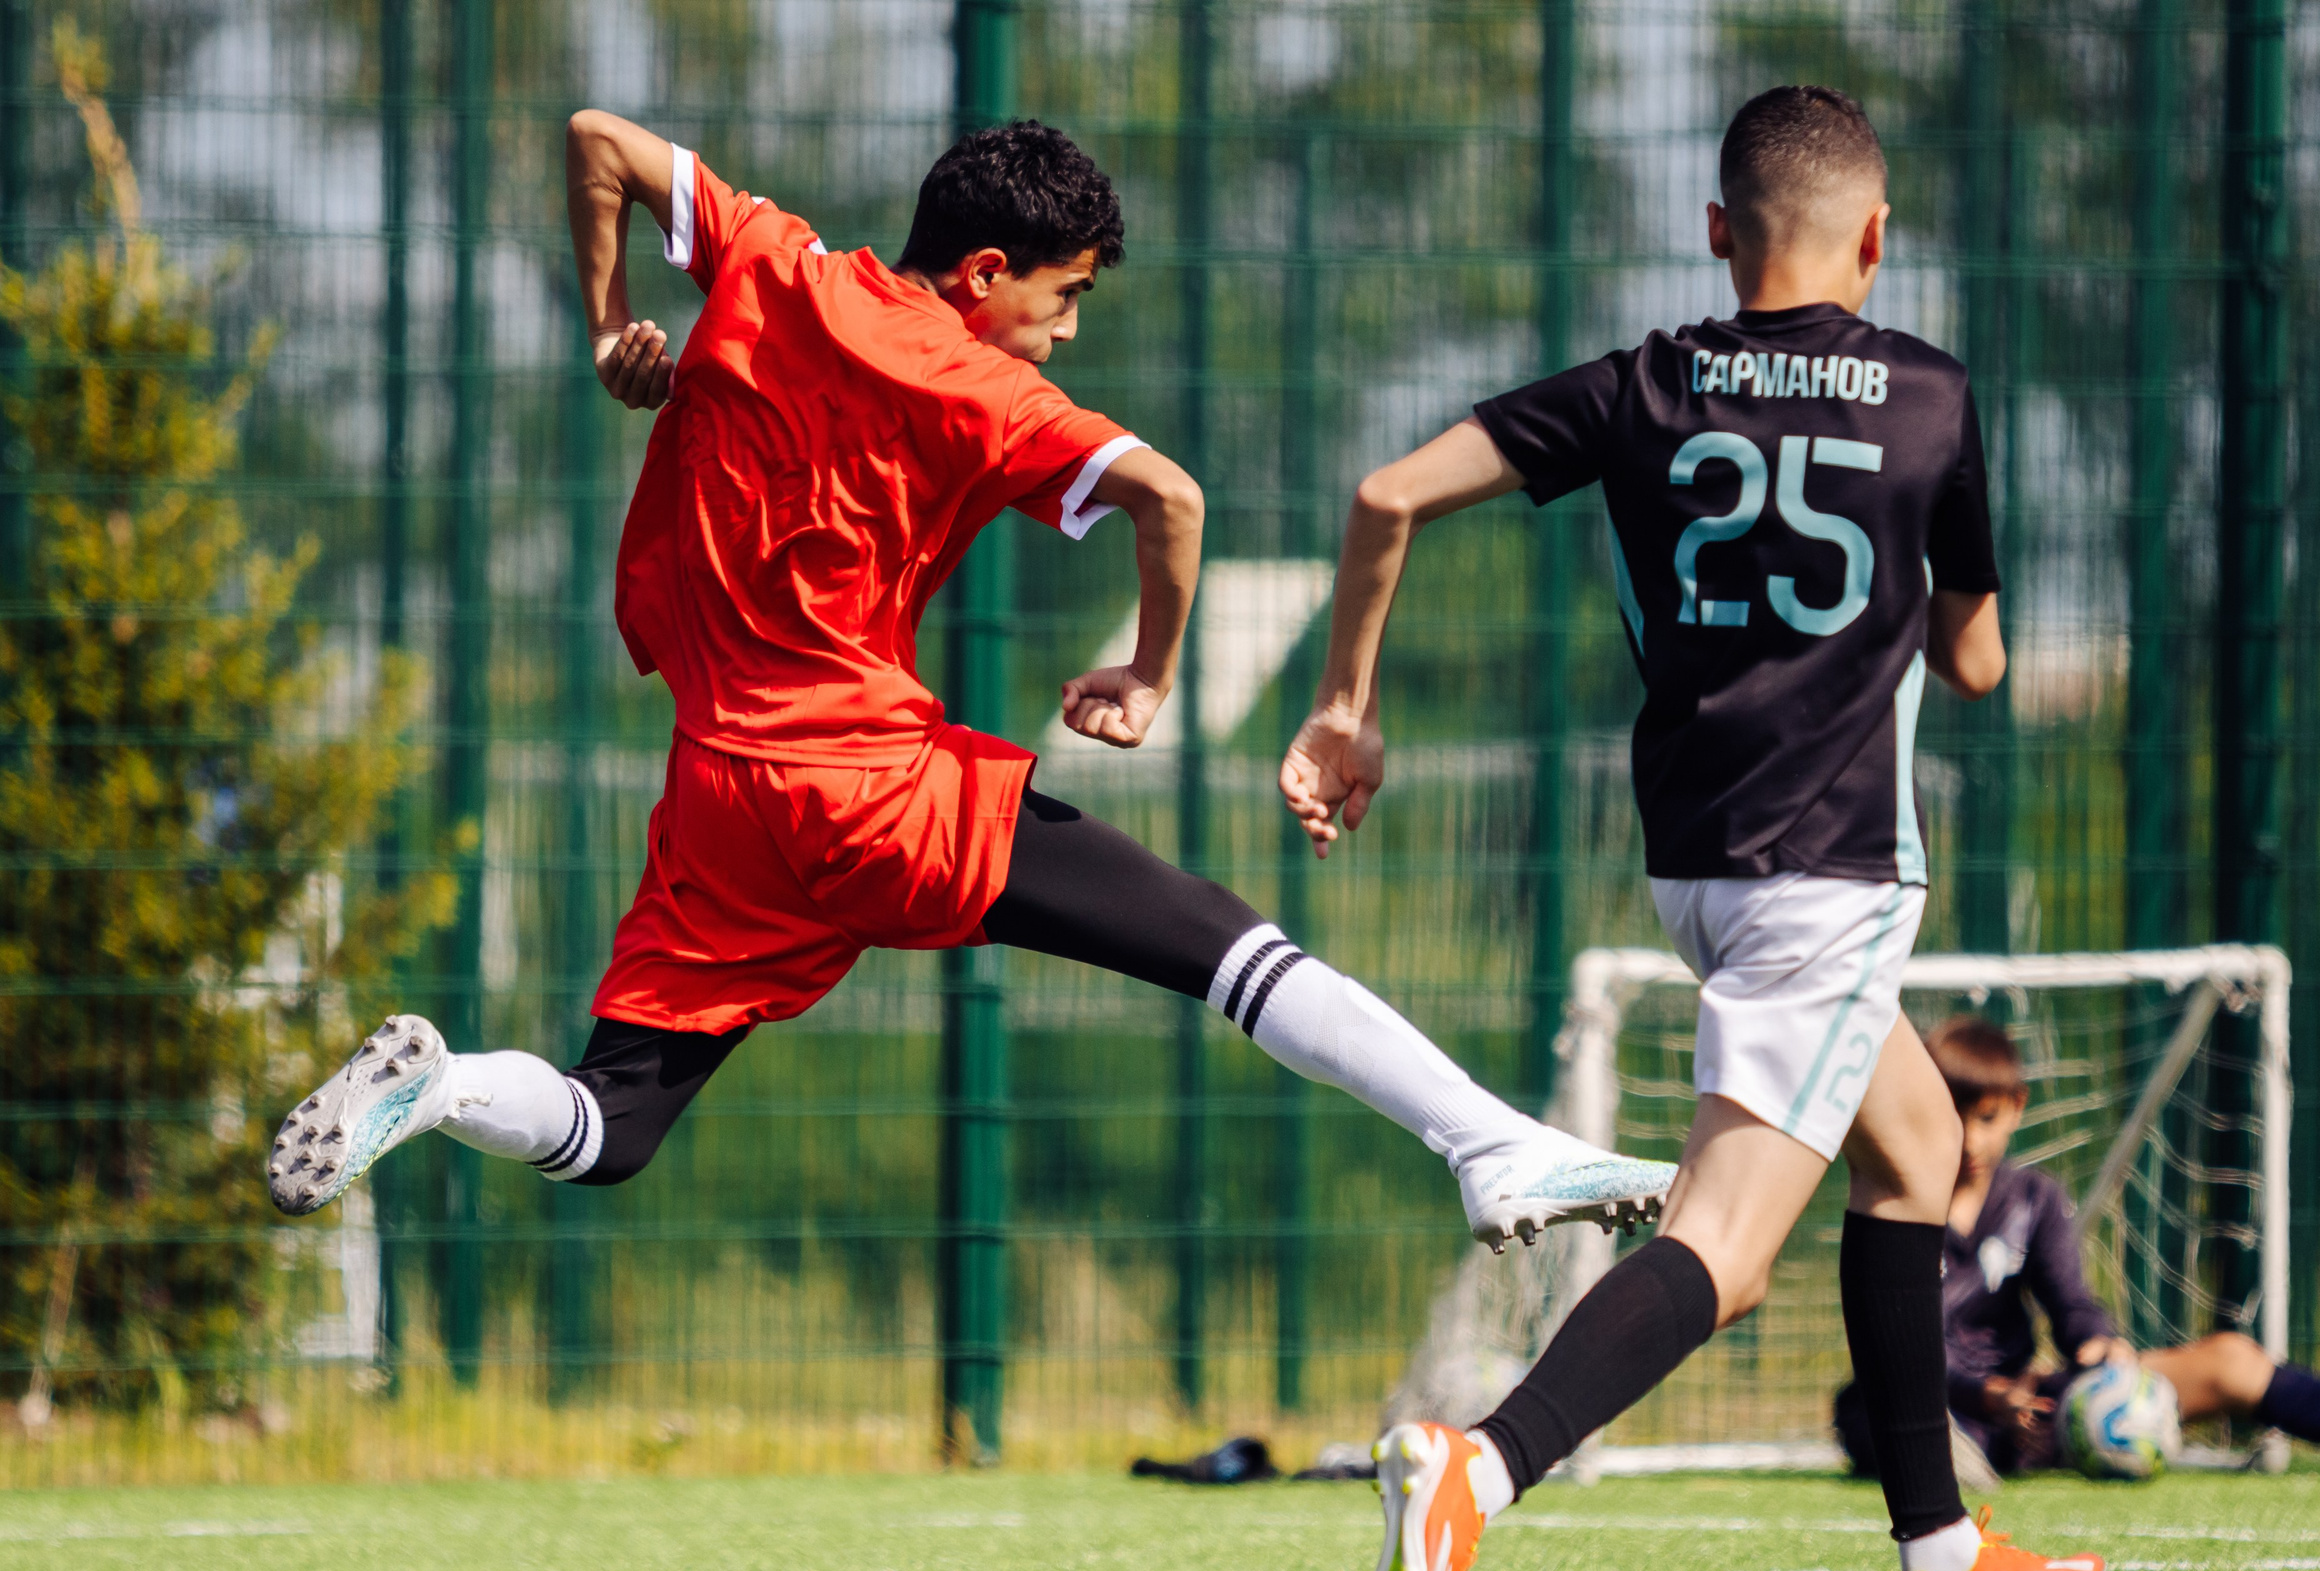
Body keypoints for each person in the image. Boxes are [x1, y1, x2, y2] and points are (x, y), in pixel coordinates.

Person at [267, 116, 1676, 1263]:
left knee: (607, 1121)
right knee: (1216, 939)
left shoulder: (774, 263)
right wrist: (1149, 671)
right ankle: (1488, 1140)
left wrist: (609, 325)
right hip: (869, 788)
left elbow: (595, 141)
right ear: (986, 272)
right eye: (1065, 298)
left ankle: (440, 1084)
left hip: (722, 797)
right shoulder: (976, 382)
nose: (1066, 334)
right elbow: (1171, 497)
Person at [1283, 86, 2101, 1571]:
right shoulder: (1932, 397)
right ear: (1878, 239)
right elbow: (1982, 662)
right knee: (1722, 1254)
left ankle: (1943, 1559)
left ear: (1720, 233)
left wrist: (1349, 704)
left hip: (1700, 864)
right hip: (1832, 872)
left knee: (1918, 1146)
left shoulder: (1641, 385)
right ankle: (1482, 1465)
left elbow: (1384, 494)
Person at [1834, 1015, 2320, 1480]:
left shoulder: (2034, 1197)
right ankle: (1946, 1453)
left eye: (1986, 1116)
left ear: (2016, 1108)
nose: (1969, 1136)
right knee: (1870, 1400)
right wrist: (1975, 1392)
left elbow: (2073, 1303)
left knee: (2233, 1359)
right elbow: (1896, 1328)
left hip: (2031, 1407)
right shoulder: (1896, 1195)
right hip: (1935, 1396)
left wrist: (2098, 1349)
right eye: (1953, 1115)